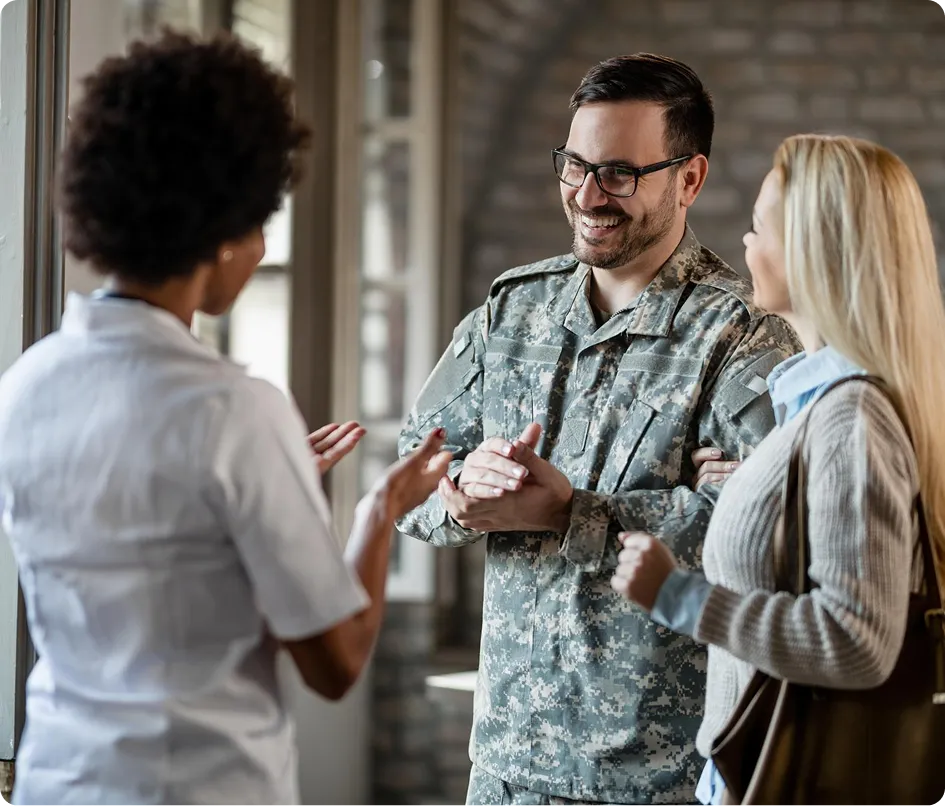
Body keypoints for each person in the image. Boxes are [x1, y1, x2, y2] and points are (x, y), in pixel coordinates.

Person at [0, 31, 451, 806]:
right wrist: (380, 512)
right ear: (220, 226)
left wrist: (268, 492)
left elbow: (144, 562)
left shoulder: (25, 383)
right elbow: (335, 661)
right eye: (258, 219)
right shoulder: (235, 411)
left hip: (60, 779)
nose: (262, 244)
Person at [397, 53, 800, 805]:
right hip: (505, 767)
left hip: (660, 779)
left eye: (618, 172)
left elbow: (770, 536)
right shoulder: (508, 312)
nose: (587, 195)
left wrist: (572, 514)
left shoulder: (742, 338)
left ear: (688, 178)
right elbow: (410, 475)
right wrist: (459, 496)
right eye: (574, 166)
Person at [611, 133, 945, 804]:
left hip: (793, 775)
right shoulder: (825, 407)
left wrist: (675, 596)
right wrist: (755, 495)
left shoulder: (851, 418)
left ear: (815, 249)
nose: (743, 241)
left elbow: (855, 642)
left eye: (760, 225)